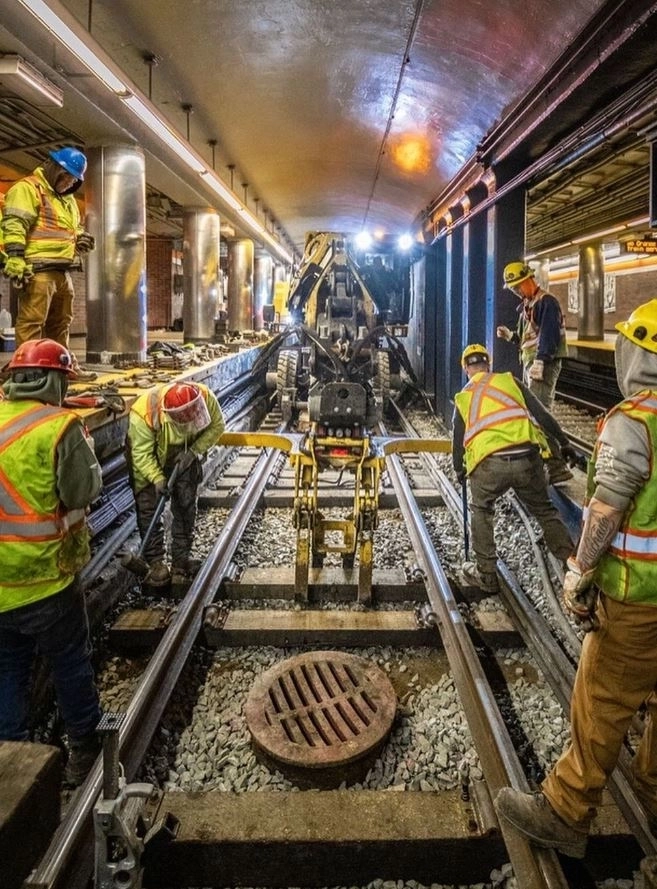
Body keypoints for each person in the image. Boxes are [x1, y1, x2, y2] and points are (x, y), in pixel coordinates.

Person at [494, 299, 657, 859]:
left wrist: (579, 571)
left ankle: (566, 809)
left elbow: (606, 510)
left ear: (635, 355)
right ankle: (653, 785)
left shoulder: (634, 421)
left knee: (602, 700)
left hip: (638, 599)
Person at [0, 338, 103, 786]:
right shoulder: (61, 427)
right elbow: (82, 493)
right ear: (56, 380)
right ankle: (83, 749)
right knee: (70, 663)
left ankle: (15, 760)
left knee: (7, 670)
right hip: (46, 579)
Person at [452, 344, 575, 593]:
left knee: (481, 510)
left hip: (489, 465)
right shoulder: (510, 382)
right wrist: (564, 443)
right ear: (489, 364)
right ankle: (573, 567)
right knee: (544, 510)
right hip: (527, 460)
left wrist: (459, 469)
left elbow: (458, 438)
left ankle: (486, 575)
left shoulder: (464, 396)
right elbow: (542, 415)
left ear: (466, 369)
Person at [1, 147, 97, 381]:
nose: (68, 183)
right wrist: (14, 256)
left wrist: (80, 238)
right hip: (38, 270)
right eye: (66, 176)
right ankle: (28, 371)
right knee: (33, 322)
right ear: (53, 168)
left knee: (61, 323)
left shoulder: (68, 201)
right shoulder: (28, 189)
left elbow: (70, 229)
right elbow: (15, 223)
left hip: (63, 270)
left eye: (73, 180)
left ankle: (60, 368)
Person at [126, 381, 225, 587]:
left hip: (185, 452)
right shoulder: (144, 414)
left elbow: (217, 426)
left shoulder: (205, 397)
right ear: (172, 417)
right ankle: (155, 563)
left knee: (186, 504)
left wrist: (192, 452)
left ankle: (181, 559)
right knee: (148, 508)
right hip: (150, 455)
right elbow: (141, 455)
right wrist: (157, 478)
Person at [497, 261, 572, 484]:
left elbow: (549, 334)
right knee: (534, 413)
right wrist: (511, 336)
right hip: (533, 363)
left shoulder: (546, 303)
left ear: (530, 279)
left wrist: (541, 360)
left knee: (540, 414)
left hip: (543, 365)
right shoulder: (527, 306)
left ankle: (557, 466)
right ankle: (545, 460)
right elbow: (526, 338)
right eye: (514, 288)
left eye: (519, 286)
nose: (517, 291)